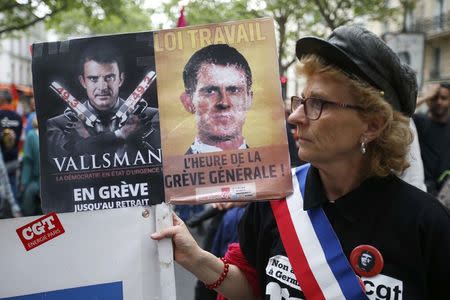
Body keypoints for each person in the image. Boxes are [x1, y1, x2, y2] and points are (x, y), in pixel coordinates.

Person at [152, 25, 450, 300]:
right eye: (301, 101)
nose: (294, 117)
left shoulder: (426, 225)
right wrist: (195, 257)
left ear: (371, 125)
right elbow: (253, 286)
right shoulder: (277, 197)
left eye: (319, 104)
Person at [46, 42, 160, 158]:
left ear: (120, 79)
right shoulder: (58, 125)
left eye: (109, 77)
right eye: (93, 79)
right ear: (83, 82)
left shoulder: (153, 117)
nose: (102, 87)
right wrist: (120, 135)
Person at [180, 44, 253, 154]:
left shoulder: (272, 167)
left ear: (249, 100)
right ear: (188, 101)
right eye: (210, 91)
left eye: (234, 90)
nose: (224, 102)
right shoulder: (170, 170)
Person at [412, 83, 450, 196]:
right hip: (423, 189)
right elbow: (398, 112)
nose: (439, 102)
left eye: (444, 98)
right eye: (434, 97)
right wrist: (425, 96)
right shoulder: (418, 121)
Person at [0, 90, 23, 204]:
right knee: (12, 183)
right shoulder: (18, 117)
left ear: (2, 99)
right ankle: (15, 210)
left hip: (2, 158)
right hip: (13, 157)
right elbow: (18, 137)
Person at [20, 115, 41, 216]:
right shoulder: (52, 133)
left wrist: (24, 183)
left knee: (29, 213)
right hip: (48, 183)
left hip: (36, 182)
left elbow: (28, 162)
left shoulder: (31, 135)